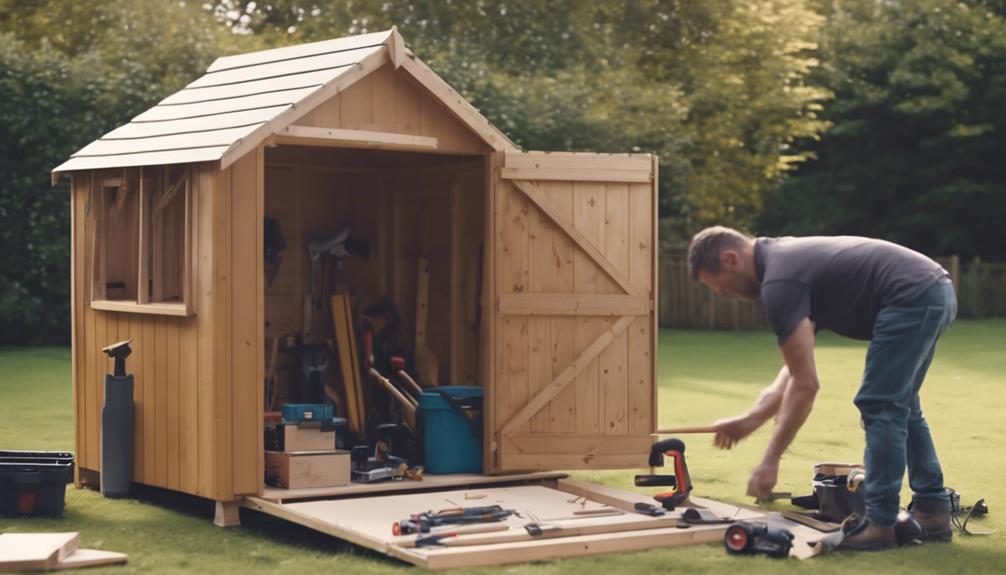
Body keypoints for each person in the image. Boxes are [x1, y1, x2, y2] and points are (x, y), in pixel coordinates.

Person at [687, 226, 956, 550]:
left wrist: (770, 460)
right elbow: (792, 372)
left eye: (719, 286)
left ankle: (880, 525)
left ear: (730, 259)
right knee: (903, 404)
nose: (722, 294)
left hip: (910, 295)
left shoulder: (780, 282)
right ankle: (932, 511)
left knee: (880, 404)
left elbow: (805, 386)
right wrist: (748, 421)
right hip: (931, 289)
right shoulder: (785, 262)